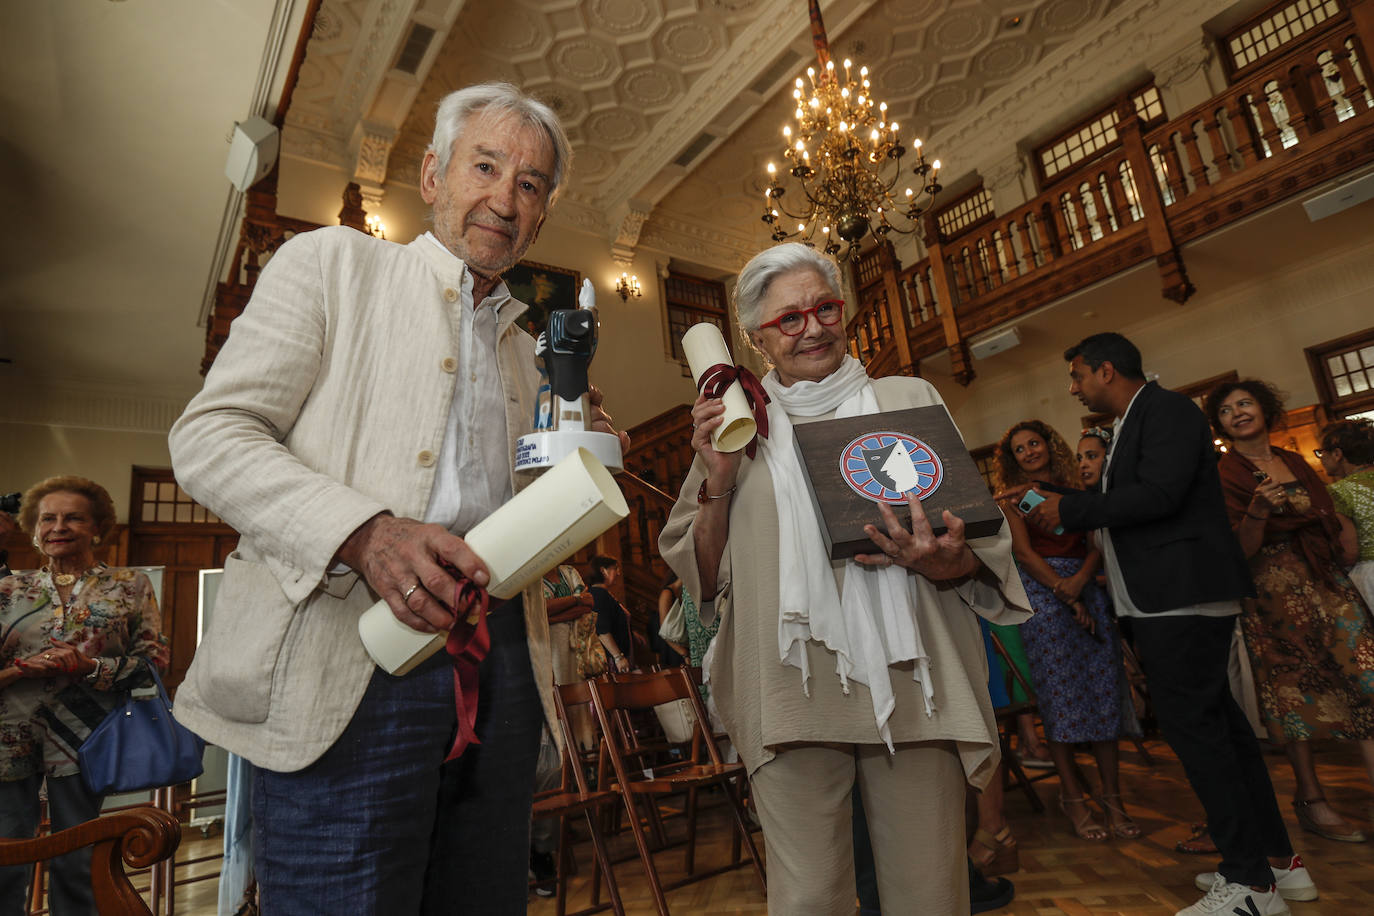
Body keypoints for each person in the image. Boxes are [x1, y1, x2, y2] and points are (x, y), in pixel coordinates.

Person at [168, 82, 627, 915]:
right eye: (485, 166)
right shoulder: (332, 264)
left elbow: (530, 522)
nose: (504, 196)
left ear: (542, 215)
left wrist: (582, 469)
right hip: (347, 667)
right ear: (431, 176)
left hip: (503, 669)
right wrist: (361, 533)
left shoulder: (531, 355)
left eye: (530, 185)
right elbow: (210, 437)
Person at [659, 242, 1030, 915]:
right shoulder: (740, 426)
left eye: (824, 308)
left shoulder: (908, 397)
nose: (813, 328)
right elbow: (702, 576)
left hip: (913, 676)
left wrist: (947, 561)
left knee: (930, 895)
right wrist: (716, 480)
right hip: (792, 687)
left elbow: (977, 537)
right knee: (808, 900)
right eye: (789, 320)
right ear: (758, 339)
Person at [1023, 333, 1310, 916]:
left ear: (1107, 370)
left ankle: (1249, 883)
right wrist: (1056, 501)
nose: (1074, 387)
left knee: (1197, 735)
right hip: (1161, 596)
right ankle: (1277, 862)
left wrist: (1070, 510)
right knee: (1223, 731)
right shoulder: (1133, 420)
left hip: (1181, 595)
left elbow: (1159, 495)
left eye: (1078, 375)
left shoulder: (1169, 411)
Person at [1204, 379, 1374, 843]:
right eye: (1225, 410)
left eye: (1245, 403)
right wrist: (1259, 510)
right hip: (1272, 596)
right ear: (1219, 425)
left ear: (1264, 407)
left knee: (1366, 675)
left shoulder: (1296, 460)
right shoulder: (1225, 474)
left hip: (1324, 583)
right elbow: (1236, 549)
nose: (1237, 412)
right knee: (1293, 693)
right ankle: (1312, 800)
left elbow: (1325, 516)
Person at [0, 476, 168, 916]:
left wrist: (90, 667)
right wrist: (19, 670)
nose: (58, 526)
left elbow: (151, 664)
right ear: (34, 530)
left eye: (73, 517)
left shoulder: (130, 587)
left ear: (97, 527)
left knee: (80, 863)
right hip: (7, 738)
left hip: (87, 741)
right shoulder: (6, 591)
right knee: (3, 860)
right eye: (47, 519)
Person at [993, 420, 1138, 843]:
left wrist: (1081, 583)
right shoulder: (1015, 499)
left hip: (1087, 584)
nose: (1029, 452)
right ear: (1012, 460)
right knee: (1061, 702)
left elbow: (1097, 544)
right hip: (1045, 598)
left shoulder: (1077, 492)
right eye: (1019, 449)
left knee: (1104, 692)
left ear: (1049, 445)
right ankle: (1073, 798)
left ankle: (1113, 797)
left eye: (1034, 443)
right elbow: (1023, 552)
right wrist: (1066, 593)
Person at [1320, 417, 1374, 603]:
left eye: (1321, 453)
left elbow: (1349, 553)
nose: (1321, 459)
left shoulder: (1338, 492)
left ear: (1337, 454)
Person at [589, 556, 632, 673]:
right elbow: (602, 629)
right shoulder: (599, 595)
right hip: (612, 660)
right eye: (615, 568)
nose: (618, 573)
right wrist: (618, 657)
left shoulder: (603, 593)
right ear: (603, 571)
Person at [654, 573, 688, 666]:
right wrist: (685, 654)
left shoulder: (687, 591)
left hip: (686, 645)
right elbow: (664, 632)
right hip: (673, 649)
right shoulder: (667, 593)